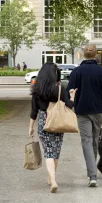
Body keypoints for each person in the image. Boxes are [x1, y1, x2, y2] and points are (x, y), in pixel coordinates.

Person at [67, 44, 102, 187]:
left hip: (81, 110)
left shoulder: (76, 72)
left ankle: (92, 175)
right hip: (98, 110)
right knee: (94, 140)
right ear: (95, 55)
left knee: (86, 141)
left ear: (84, 54)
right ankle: (92, 173)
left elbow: (70, 91)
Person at [29, 62, 77, 193]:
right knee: (55, 152)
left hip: (43, 122)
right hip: (57, 122)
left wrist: (30, 127)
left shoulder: (36, 90)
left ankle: (52, 180)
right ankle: (52, 179)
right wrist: (72, 96)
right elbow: (69, 106)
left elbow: (34, 111)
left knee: (48, 152)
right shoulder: (60, 89)